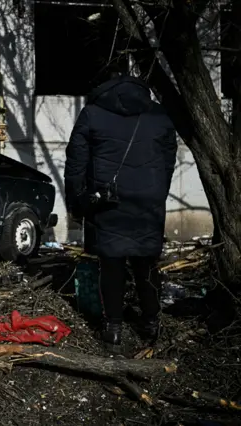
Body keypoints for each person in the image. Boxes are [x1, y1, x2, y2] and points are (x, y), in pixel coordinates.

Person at [64, 72, 178, 352]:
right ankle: (151, 323)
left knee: (112, 264)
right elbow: (168, 159)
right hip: (147, 200)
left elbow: (76, 161)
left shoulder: (92, 113)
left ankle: (113, 328)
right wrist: (158, 193)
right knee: (146, 263)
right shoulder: (158, 114)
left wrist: (77, 202)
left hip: (108, 200)